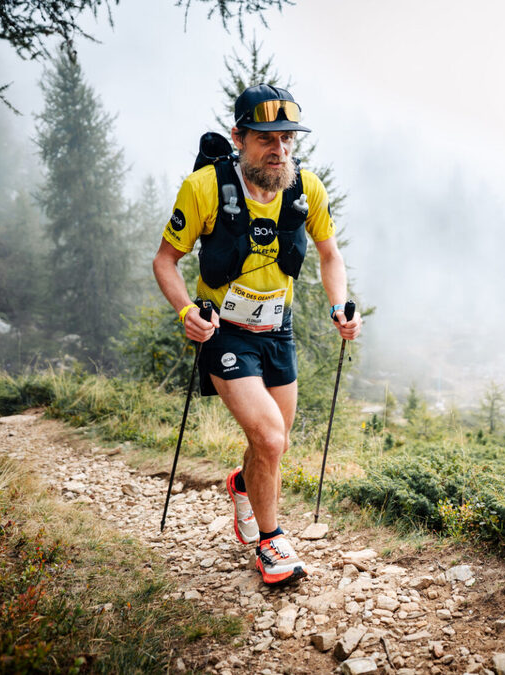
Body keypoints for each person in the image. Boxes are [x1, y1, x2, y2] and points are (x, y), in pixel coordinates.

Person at [152, 83, 361, 585]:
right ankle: (272, 545)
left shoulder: (305, 189)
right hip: (225, 333)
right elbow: (165, 262)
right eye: (267, 138)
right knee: (269, 436)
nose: (280, 150)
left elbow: (330, 256)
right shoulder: (204, 188)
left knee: (274, 443)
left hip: (277, 332)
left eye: (287, 139)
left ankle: (244, 486)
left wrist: (339, 305)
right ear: (239, 137)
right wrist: (186, 314)